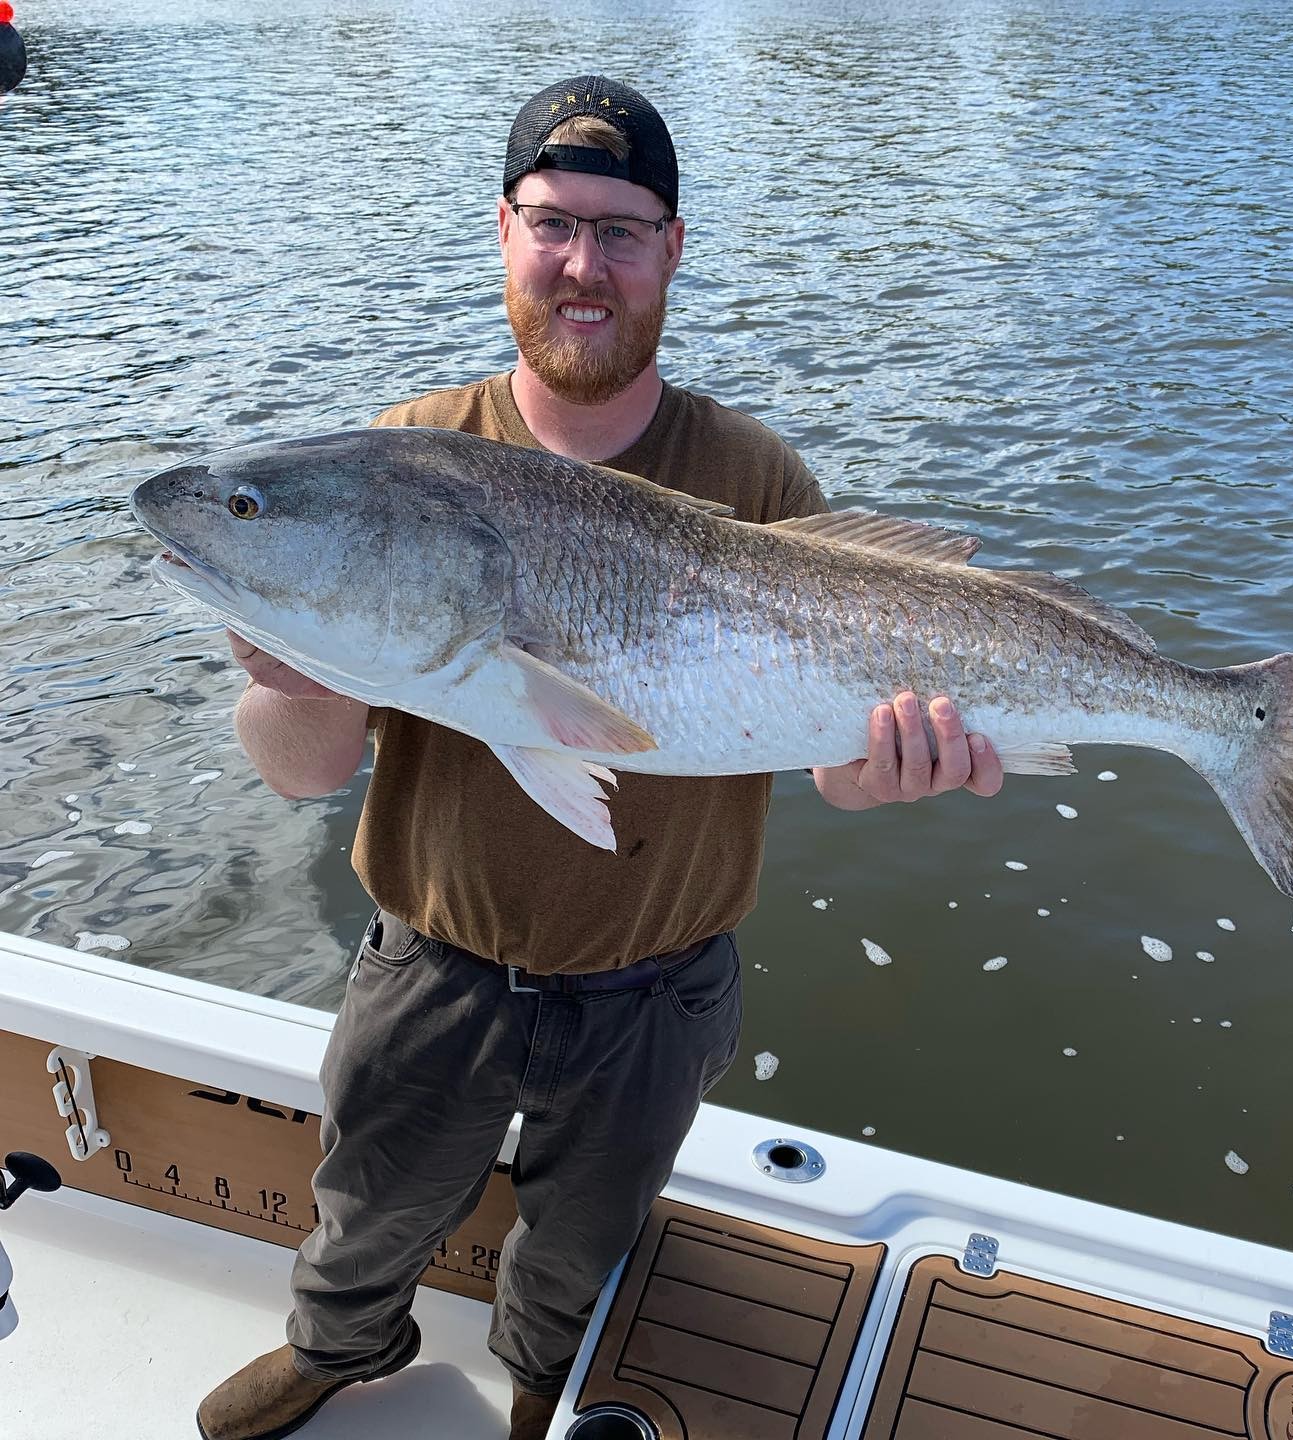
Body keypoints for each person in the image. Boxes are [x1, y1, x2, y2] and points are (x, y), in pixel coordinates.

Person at [196, 75, 1003, 1440]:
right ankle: (339, 1347)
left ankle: (543, 1388)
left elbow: (833, 767)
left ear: (672, 249)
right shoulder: (406, 455)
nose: (585, 265)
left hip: (657, 986)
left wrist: (892, 767)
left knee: (587, 1249)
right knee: (368, 1202)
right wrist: (289, 670)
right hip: (435, 962)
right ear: (503, 231)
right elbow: (302, 768)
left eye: (622, 232)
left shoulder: (754, 478)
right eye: (554, 223)